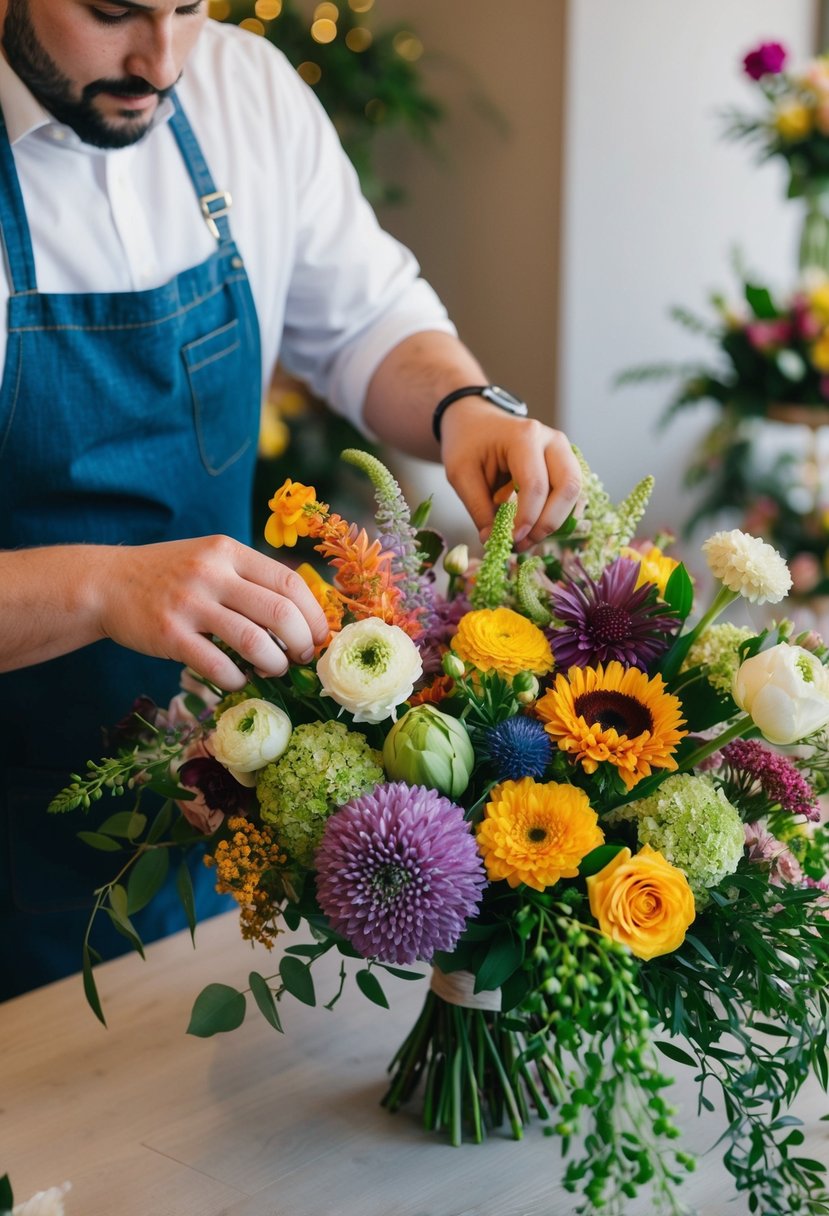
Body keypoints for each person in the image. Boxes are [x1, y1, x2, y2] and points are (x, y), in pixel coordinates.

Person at [0, 0, 581, 1001]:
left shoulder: (246, 89)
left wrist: (461, 407)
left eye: (187, 5)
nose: (162, 59)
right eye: (111, 12)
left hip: (215, 799)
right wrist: (101, 587)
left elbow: (364, 317)